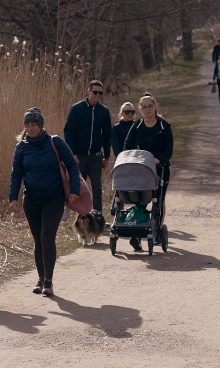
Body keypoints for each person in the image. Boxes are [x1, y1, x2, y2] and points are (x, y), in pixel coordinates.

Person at [10, 108, 80, 296]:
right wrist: (13, 198)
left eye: (33, 124)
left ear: (40, 125)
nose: (30, 128)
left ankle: (48, 281)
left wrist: (75, 189)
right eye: (27, 125)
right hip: (31, 200)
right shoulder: (22, 147)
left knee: (47, 237)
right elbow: (16, 174)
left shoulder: (55, 142)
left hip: (53, 198)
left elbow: (72, 165)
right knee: (38, 240)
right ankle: (40, 279)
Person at [123, 93, 173, 251]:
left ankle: (157, 230)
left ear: (155, 106)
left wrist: (159, 159)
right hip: (141, 168)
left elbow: (169, 149)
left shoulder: (164, 126)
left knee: (158, 200)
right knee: (140, 200)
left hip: (159, 167)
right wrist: (132, 158)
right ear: (140, 109)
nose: (147, 109)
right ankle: (136, 234)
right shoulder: (137, 125)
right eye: (144, 107)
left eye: (150, 106)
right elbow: (128, 144)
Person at [64, 79, 112, 211]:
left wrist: (106, 156)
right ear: (88, 91)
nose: (97, 95)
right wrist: (72, 153)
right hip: (79, 155)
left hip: (96, 155)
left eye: (100, 93)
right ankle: (78, 213)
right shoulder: (76, 109)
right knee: (78, 186)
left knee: (97, 187)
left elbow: (107, 135)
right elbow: (68, 131)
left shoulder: (104, 111)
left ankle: (98, 216)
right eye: (95, 92)